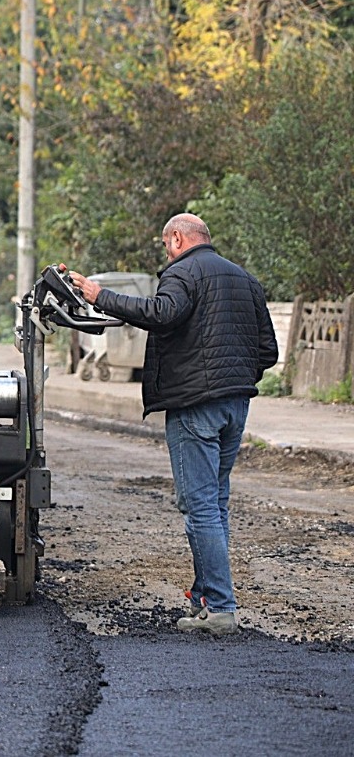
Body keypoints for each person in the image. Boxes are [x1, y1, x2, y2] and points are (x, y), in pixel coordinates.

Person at [67, 213, 276, 636]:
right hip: (236, 406)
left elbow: (162, 314)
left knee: (199, 507)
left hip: (195, 406)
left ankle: (220, 608)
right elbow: (268, 351)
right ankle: (205, 598)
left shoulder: (183, 273)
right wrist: (234, 381)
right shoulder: (244, 278)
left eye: (167, 247)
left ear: (178, 239)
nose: (167, 254)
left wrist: (99, 295)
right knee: (214, 505)